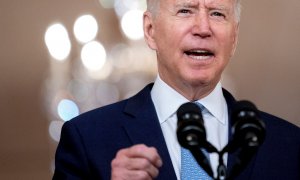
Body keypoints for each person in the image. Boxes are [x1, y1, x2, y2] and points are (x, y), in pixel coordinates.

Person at [53, 0, 300, 179]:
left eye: (217, 14)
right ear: (150, 31)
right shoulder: (87, 138)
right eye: (185, 10)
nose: (203, 28)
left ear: (234, 38)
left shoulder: (289, 144)